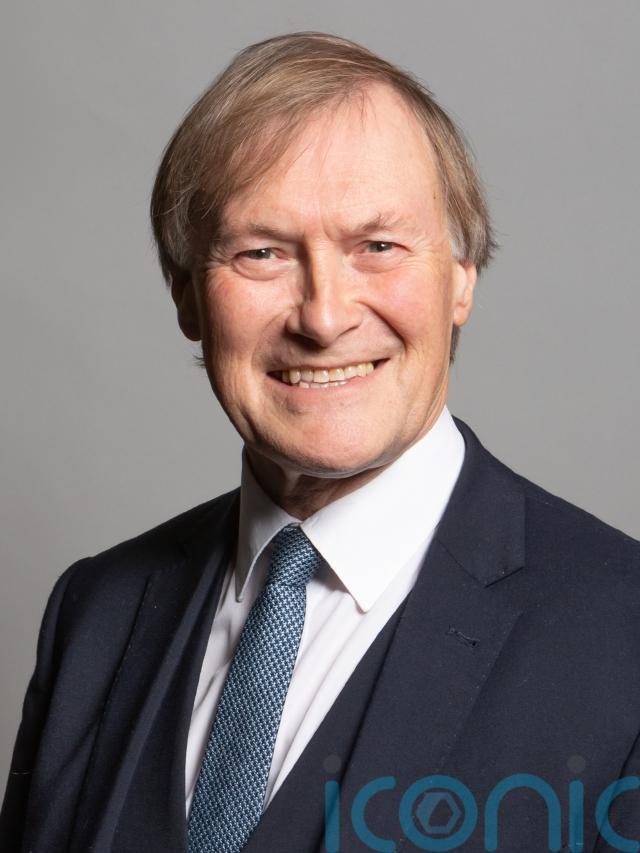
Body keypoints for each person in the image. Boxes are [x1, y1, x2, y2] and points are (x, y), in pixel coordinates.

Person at [1, 31, 639, 853]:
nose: (325, 316)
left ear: (462, 275)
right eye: (262, 252)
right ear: (187, 294)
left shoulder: (621, 637)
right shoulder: (96, 613)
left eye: (378, 246)